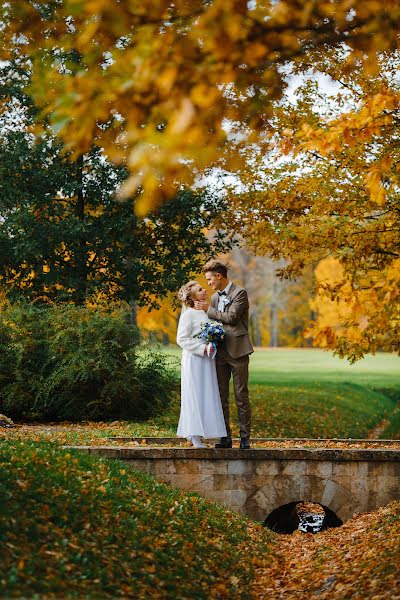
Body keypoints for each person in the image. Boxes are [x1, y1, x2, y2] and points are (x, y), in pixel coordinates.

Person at [193, 260, 253, 449]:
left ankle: (245, 438)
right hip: (220, 353)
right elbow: (214, 323)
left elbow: (232, 318)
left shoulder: (240, 293)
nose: (209, 283)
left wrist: (208, 310)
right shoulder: (215, 298)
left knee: (241, 395)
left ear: (219, 276)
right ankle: (225, 436)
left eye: (210, 279)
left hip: (238, 351)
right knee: (220, 396)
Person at [176, 280, 227, 448]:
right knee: (194, 394)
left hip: (207, 360)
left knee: (207, 394)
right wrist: (202, 348)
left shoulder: (207, 312)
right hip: (194, 359)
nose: (204, 290)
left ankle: (206, 431)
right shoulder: (188, 314)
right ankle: (193, 435)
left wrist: (213, 344)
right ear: (192, 297)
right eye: (200, 290)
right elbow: (181, 339)